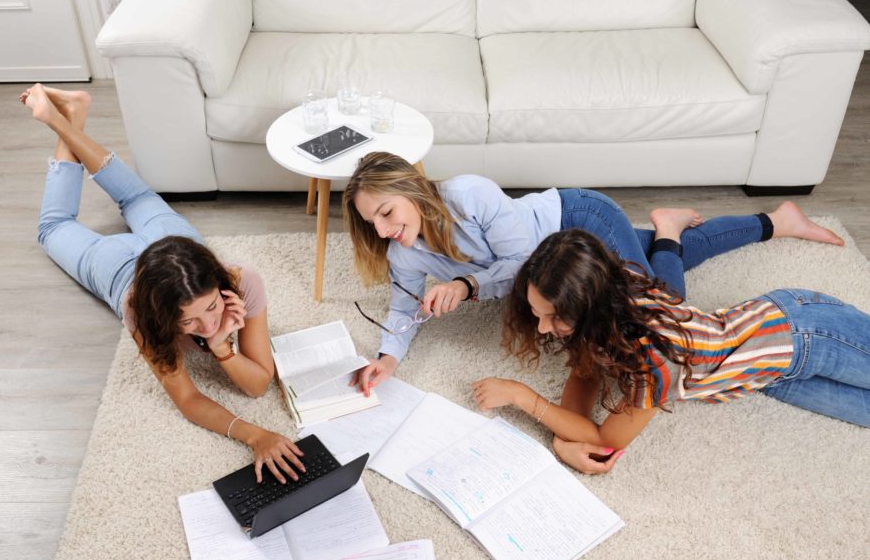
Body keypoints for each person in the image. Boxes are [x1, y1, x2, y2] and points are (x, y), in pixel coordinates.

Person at [343, 151, 844, 394]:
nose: (384, 229)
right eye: (373, 223)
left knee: (661, 307)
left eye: (387, 211)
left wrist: (466, 284)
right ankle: (777, 221)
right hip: (558, 267)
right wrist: (388, 359)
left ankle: (668, 230)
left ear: (411, 188)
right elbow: (403, 307)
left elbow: (520, 267)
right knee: (666, 260)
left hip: (579, 220)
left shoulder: (467, 195)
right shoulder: (404, 254)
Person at [22, 84, 304, 484]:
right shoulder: (140, 309)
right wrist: (254, 434)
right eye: (187, 323)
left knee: (136, 197)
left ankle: (70, 115)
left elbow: (258, 385)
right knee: (52, 229)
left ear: (218, 280)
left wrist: (223, 347)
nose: (207, 327)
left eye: (211, 308)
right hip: (120, 269)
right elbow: (187, 399)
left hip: (172, 243)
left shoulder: (242, 282)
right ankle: (68, 118)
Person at [471, 229, 869, 474]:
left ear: (588, 306)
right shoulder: (603, 308)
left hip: (804, 332)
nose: (543, 329)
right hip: (770, 374)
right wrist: (564, 438)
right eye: (539, 314)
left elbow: (606, 439)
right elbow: (584, 375)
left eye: (554, 318)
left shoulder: (653, 361)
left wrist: (524, 398)